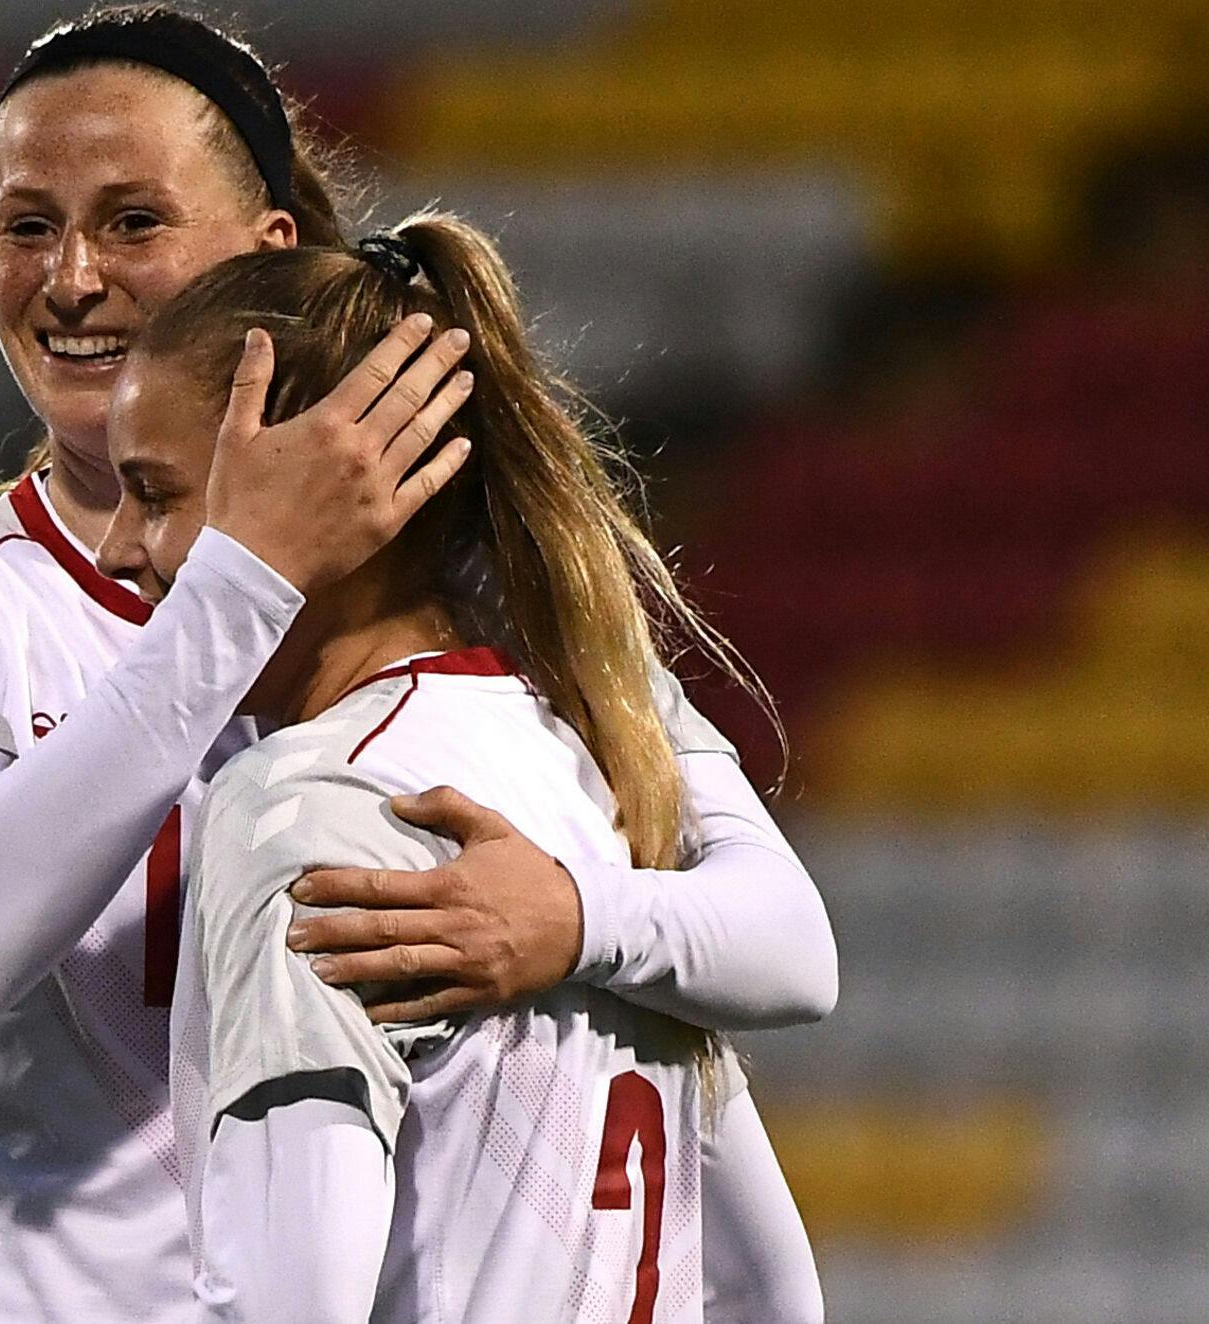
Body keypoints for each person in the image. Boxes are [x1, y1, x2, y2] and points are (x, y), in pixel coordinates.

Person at [0, 3, 833, 1323]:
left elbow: (783, 943)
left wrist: (573, 918)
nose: (70, 278)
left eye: (133, 221)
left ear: (267, 251)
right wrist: (245, 576)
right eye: (25, 222)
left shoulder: (466, 620)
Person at [97, 214, 820, 1322]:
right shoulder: (594, 760)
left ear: (321, 490)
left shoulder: (313, 805)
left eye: (154, 493)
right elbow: (771, 1288)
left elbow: (294, 1302)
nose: (119, 547)